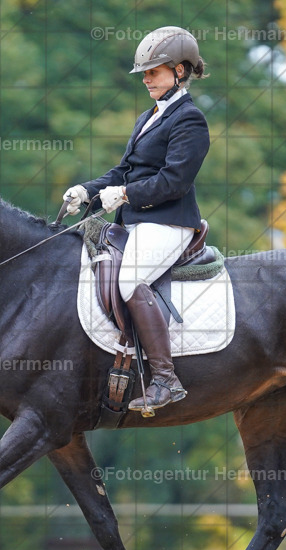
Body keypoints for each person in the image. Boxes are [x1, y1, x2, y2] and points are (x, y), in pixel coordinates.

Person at [63, 26, 209, 415]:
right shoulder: (150, 116)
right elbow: (124, 170)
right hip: (139, 222)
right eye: (144, 73)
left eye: (153, 72)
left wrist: (126, 195)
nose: (145, 80)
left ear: (179, 71)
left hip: (170, 222)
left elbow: (175, 181)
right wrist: (88, 191)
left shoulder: (190, 120)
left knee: (130, 279)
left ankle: (165, 379)